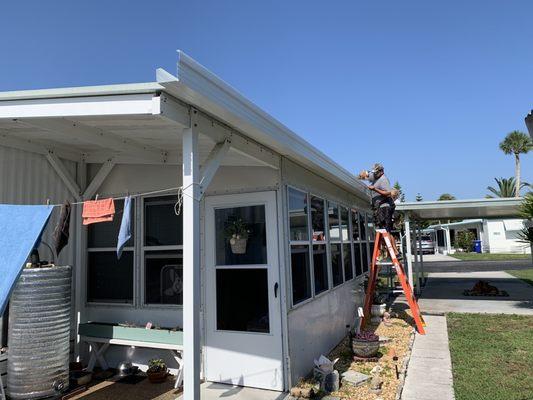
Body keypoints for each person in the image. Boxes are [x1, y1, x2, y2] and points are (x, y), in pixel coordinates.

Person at [358, 163, 400, 257]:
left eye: (376, 172)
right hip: (381, 208)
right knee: (386, 231)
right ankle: (394, 252)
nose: (374, 174)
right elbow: (366, 175)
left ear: (381, 171)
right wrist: (362, 175)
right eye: (374, 172)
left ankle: (393, 252)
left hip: (384, 207)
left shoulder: (383, 180)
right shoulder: (376, 176)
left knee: (385, 231)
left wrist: (375, 189)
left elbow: (389, 193)